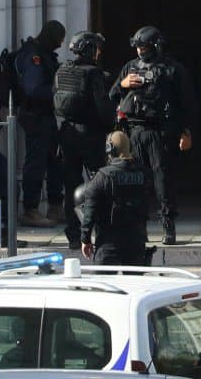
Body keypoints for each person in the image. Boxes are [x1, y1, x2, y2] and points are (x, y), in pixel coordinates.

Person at [109, 26, 195, 245]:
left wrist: (185, 131)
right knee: (135, 179)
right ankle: (138, 226)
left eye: (144, 47)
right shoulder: (130, 68)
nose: (140, 51)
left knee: (162, 179)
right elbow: (111, 95)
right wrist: (123, 84)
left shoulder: (172, 69)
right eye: (138, 47)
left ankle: (168, 225)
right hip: (134, 131)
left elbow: (186, 103)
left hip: (161, 131)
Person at [54, 31, 118, 249]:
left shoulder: (62, 70)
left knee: (70, 185)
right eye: (97, 49)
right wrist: (113, 124)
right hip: (90, 135)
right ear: (90, 49)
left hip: (67, 135)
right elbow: (102, 108)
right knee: (98, 183)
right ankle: (100, 229)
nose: (99, 53)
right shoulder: (93, 74)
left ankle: (73, 234)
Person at [14, 20, 66, 227]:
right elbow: (33, 89)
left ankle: (55, 206)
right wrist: (59, 94)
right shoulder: (33, 56)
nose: (60, 45)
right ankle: (30, 209)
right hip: (34, 115)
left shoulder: (42, 53)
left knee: (55, 160)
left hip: (45, 115)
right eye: (58, 40)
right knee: (36, 162)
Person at [78, 132, 150, 265]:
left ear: (110, 148)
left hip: (108, 243)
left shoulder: (102, 177)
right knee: (135, 284)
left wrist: (85, 239)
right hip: (135, 242)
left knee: (105, 283)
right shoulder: (143, 174)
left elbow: (89, 213)